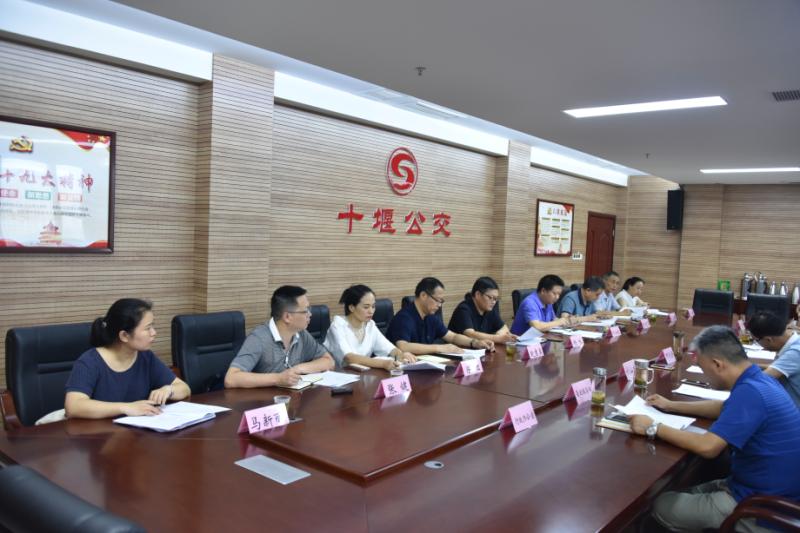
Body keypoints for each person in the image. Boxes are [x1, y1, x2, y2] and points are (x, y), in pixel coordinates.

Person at [628, 325, 800, 532]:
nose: (704, 375)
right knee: (675, 488)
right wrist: (671, 405)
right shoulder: (759, 380)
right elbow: (724, 407)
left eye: (703, 368)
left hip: (761, 508)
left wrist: (653, 426)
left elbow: (708, 447)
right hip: (760, 488)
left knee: (659, 505)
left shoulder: (751, 393)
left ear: (717, 364)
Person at [64, 298, 190, 419]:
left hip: (136, 430)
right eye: (147, 328)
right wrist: (126, 407)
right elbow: (73, 406)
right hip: (99, 432)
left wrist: (169, 390)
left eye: (152, 327)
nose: (154, 333)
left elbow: (184, 388)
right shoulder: (90, 361)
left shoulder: (146, 357)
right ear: (124, 335)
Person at [224, 285, 334, 388]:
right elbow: (231, 378)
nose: (310, 314)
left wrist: (298, 369)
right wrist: (278, 379)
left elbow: (328, 361)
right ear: (287, 317)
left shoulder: (301, 334)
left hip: (292, 397)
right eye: (305, 311)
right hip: (264, 400)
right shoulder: (259, 338)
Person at [386, 277, 494, 355]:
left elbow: (452, 336)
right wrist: (439, 348)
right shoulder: (404, 317)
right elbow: (403, 346)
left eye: (442, 301)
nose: (439, 305)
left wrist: (474, 343)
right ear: (423, 295)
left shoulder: (430, 316)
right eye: (438, 300)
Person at [324, 284, 416, 370]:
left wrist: (401, 355)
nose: (371, 311)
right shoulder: (337, 326)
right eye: (366, 307)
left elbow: (389, 348)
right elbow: (349, 358)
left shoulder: (370, 325)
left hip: (364, 375)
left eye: (373, 306)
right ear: (351, 307)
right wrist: (383, 364)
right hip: (342, 376)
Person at [748, 310, 800, 407]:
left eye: (756, 341)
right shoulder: (795, 341)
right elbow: (774, 367)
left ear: (768, 339)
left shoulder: (795, 352)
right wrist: (746, 365)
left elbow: (761, 380)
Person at [448, 276, 517, 344]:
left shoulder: (489, 308)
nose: (493, 302)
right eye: (490, 297)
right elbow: (470, 334)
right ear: (478, 294)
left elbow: (504, 328)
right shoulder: (463, 309)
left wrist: (500, 336)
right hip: (460, 349)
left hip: (482, 348)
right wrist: (498, 338)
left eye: (495, 299)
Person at [510, 275, 580, 334]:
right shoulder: (530, 303)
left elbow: (553, 320)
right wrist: (560, 322)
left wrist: (567, 320)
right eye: (554, 293)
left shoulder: (548, 302)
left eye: (559, 294)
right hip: (520, 341)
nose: (557, 297)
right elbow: (537, 327)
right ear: (543, 291)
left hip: (541, 339)